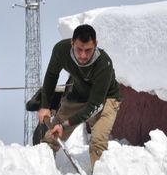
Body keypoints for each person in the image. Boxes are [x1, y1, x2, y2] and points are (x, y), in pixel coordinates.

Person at [37, 24, 122, 166]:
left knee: (98, 141)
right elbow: (52, 75)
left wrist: (64, 125)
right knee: (52, 135)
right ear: (72, 43)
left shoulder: (104, 64)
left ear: (96, 45)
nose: (83, 55)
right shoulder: (61, 50)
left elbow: (94, 105)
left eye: (88, 50)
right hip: (79, 94)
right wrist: (45, 105)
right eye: (79, 49)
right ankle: (41, 169)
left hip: (105, 99)